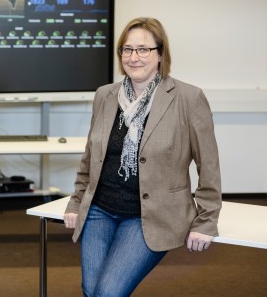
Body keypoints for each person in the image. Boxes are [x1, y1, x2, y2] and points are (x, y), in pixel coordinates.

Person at [63, 17, 222, 296]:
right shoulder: (105, 95)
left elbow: (208, 166)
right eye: (127, 49)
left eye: (143, 49)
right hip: (100, 210)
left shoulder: (188, 98)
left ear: (160, 54)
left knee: (108, 292)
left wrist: (206, 221)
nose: (134, 57)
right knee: (91, 290)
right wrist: (76, 203)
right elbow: (91, 158)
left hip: (148, 216)